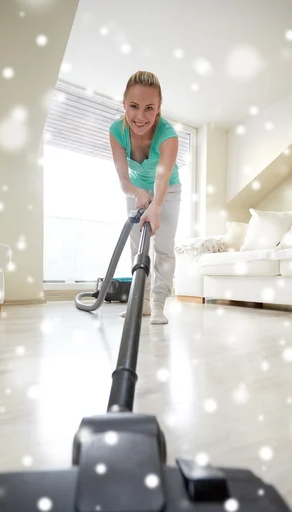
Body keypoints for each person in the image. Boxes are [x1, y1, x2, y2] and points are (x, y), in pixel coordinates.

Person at [109, 71, 181, 325]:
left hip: (168, 189)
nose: (141, 116)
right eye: (134, 106)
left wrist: (156, 205)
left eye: (149, 108)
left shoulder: (168, 136)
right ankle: (142, 302)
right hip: (136, 188)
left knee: (163, 246)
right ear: (124, 104)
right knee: (136, 245)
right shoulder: (117, 131)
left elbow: (163, 176)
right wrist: (138, 192)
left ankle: (159, 304)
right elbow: (123, 180)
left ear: (159, 108)